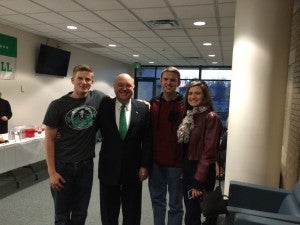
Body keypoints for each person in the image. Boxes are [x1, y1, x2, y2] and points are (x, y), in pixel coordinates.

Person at [43, 64, 107, 225]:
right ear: (72, 80)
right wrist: (51, 172)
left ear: (92, 82)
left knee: (80, 213)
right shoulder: (57, 105)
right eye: (80, 78)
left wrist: (141, 102)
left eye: (88, 79)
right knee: (62, 214)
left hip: (86, 166)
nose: (84, 82)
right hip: (63, 167)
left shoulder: (98, 98)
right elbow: (49, 140)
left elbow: (119, 102)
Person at [97, 73, 152, 225]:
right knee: (108, 212)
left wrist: (145, 165)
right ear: (114, 87)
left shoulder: (143, 108)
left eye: (128, 85)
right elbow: (89, 127)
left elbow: (147, 140)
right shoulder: (103, 106)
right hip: (108, 168)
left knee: (132, 211)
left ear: (133, 88)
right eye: (120, 85)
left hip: (134, 169)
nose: (124, 88)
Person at [177, 81, 223, 225]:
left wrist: (198, 181)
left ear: (205, 96)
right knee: (191, 212)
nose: (193, 96)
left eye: (197, 93)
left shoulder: (211, 117)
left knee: (193, 214)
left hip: (200, 173)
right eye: (190, 93)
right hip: (188, 171)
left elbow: (208, 152)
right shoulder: (190, 116)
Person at [148, 66, 185, 225]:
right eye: (166, 79)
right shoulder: (153, 103)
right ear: (161, 81)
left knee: (175, 204)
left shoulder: (185, 105)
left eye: (172, 80)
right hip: (156, 162)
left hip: (177, 164)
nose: (168, 83)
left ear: (178, 83)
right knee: (157, 200)